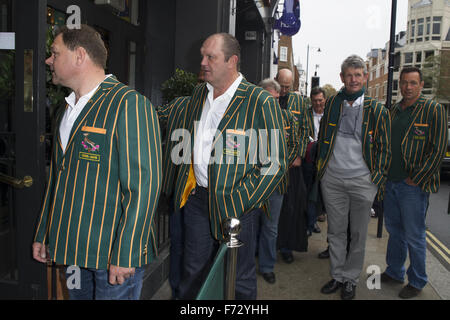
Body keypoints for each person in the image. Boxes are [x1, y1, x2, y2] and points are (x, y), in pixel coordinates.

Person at [32, 25, 162, 300]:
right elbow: (58, 179)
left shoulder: (129, 104)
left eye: (55, 53)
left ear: (80, 56)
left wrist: (127, 253)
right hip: (73, 247)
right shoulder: (64, 110)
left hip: (113, 254)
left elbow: (144, 187)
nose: (48, 60)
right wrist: (45, 233)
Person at [159, 33, 287, 299]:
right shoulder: (198, 95)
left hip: (238, 206)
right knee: (192, 272)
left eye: (211, 57)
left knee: (238, 279)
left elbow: (274, 163)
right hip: (197, 202)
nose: (203, 62)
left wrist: (240, 198)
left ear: (232, 61)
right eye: (203, 56)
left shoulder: (259, 101)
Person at [316, 55, 391, 300]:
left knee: (358, 234)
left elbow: (384, 148)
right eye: (349, 75)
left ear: (365, 77)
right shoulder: (333, 104)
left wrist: (375, 179)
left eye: (358, 75)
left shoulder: (376, 110)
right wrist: (323, 170)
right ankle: (337, 275)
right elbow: (324, 140)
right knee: (336, 231)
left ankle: (350, 279)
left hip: (362, 181)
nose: (353, 79)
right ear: (342, 78)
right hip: (333, 180)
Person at [382, 66, 447, 299]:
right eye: (404, 83)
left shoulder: (433, 110)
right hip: (391, 182)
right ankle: (394, 271)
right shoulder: (394, 111)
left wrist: (416, 178)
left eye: (412, 83)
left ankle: (417, 279)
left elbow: (438, 150)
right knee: (394, 231)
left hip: (413, 186)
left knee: (415, 235)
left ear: (420, 85)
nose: (407, 88)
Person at [257, 78, 299, 284]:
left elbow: (294, 145)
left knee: (270, 228)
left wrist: (280, 164)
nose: (271, 103)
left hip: (276, 183)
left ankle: (266, 266)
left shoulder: (288, 118)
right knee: (247, 226)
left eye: (275, 99)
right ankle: (243, 266)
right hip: (250, 183)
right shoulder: (249, 117)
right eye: (267, 98)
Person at [275, 68, 309, 264]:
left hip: (292, 165)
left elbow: (305, 129)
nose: (285, 90)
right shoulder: (268, 97)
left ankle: (286, 247)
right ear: (276, 80)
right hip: (270, 163)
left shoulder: (299, 102)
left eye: (288, 86)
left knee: (291, 208)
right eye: (282, 85)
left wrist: (299, 154)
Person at [304, 86, 326, 236]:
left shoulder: (330, 115)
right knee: (309, 193)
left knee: (321, 194)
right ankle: (309, 223)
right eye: (315, 101)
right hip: (308, 159)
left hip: (324, 160)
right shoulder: (305, 114)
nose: (318, 103)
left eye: (320, 100)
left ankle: (313, 220)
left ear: (325, 99)